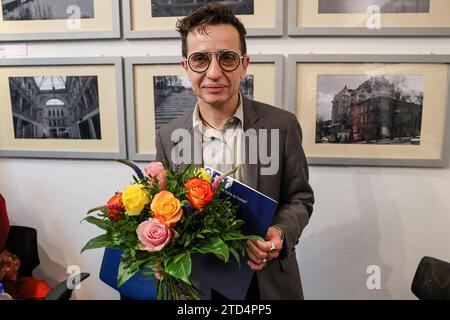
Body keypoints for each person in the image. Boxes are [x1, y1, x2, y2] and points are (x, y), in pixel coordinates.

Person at [155, 3, 314, 300]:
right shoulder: (168, 136)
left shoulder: (282, 125)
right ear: (185, 67)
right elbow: (165, 207)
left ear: (244, 64)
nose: (214, 73)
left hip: (265, 282)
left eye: (227, 58)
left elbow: (300, 198)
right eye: (200, 59)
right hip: (197, 286)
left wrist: (279, 232)